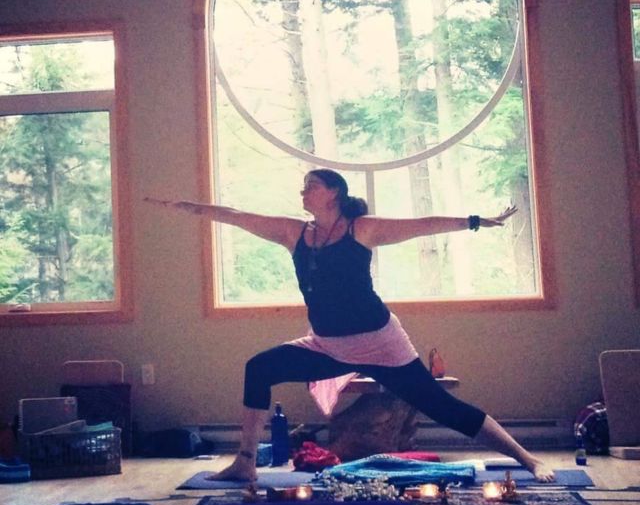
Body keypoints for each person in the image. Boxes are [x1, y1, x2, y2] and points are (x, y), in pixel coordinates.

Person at [145, 168, 555, 482]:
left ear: (334, 193)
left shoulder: (362, 229)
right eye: (302, 187)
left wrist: (474, 220)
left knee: (442, 407)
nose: (302, 192)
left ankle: (527, 458)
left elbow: (422, 225)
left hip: (381, 344)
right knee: (259, 368)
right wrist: (192, 208)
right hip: (327, 345)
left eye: (310, 186)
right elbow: (237, 217)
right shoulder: (294, 233)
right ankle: (245, 463)